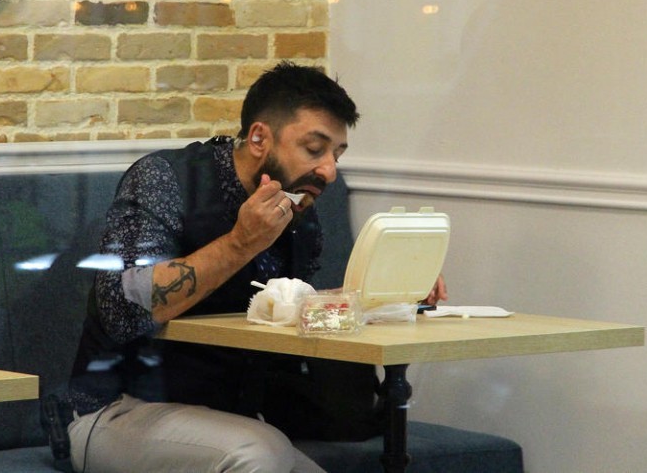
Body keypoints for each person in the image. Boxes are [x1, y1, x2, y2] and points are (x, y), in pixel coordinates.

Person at [65, 61, 446, 473]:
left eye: (337, 154)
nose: (329, 171)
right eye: (314, 149)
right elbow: (122, 311)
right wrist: (242, 242)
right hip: (116, 411)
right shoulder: (164, 179)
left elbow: (285, 309)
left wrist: (386, 296)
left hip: (231, 419)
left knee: (273, 453)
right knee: (258, 452)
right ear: (260, 137)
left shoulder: (298, 210)